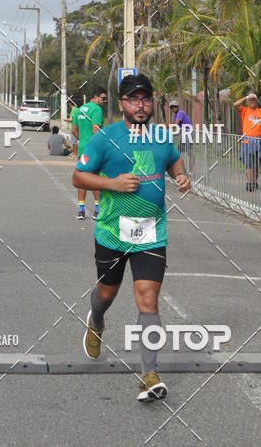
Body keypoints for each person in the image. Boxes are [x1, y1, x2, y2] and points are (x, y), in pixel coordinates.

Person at [72, 73, 190, 402]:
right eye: (134, 99)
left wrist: (181, 178)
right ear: (122, 104)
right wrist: (113, 184)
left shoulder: (162, 137)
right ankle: (96, 319)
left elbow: (175, 164)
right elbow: (77, 176)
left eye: (146, 99)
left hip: (152, 233)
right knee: (107, 292)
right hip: (112, 231)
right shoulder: (105, 138)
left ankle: (149, 375)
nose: (141, 105)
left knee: (148, 299)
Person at [72, 87, 107, 219]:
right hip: (94, 150)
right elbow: (95, 130)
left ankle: (81, 210)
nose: (104, 101)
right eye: (103, 98)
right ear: (96, 96)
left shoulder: (80, 109)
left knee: (82, 178)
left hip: (82, 149)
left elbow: (74, 129)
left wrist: (83, 140)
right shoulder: (96, 109)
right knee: (95, 179)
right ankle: (97, 210)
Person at [234, 93, 261, 191]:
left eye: (253, 100)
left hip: (258, 142)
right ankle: (250, 183)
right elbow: (235, 104)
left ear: (257, 101)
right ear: (248, 101)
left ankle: (254, 181)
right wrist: (246, 96)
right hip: (247, 141)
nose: (252, 102)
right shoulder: (244, 110)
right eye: (250, 100)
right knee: (249, 164)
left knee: (257, 166)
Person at [168, 98, 193, 173]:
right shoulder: (174, 115)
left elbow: (175, 125)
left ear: (178, 107)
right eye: (171, 107)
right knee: (181, 152)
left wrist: (164, 126)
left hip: (188, 134)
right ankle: (179, 170)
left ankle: (190, 171)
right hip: (184, 135)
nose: (173, 108)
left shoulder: (180, 112)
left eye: (174, 106)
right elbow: (174, 127)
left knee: (184, 153)